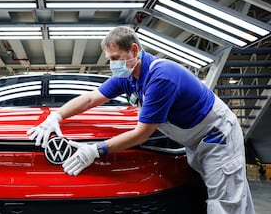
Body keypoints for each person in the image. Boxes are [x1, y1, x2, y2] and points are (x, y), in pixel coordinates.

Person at [27, 26, 255, 214]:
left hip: (216, 135)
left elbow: (142, 134)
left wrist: (95, 150)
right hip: (193, 139)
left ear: (134, 50)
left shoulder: (161, 77)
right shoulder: (129, 76)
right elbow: (90, 98)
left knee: (225, 203)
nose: (112, 64)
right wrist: (56, 116)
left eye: (115, 58)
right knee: (230, 193)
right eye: (109, 59)